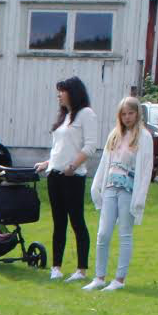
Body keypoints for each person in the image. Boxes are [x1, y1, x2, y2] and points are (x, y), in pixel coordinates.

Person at [84, 97, 154, 293]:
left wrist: (140, 196)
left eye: (131, 113)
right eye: (123, 114)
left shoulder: (144, 137)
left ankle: (119, 279)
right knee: (103, 233)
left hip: (128, 190)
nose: (127, 118)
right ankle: (99, 277)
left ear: (137, 114)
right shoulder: (115, 135)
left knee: (125, 233)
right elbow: (106, 161)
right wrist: (98, 185)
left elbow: (146, 167)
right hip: (110, 187)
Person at [34, 76, 98, 282]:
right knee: (58, 222)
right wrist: (46, 164)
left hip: (73, 176)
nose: (59, 95)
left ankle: (81, 270)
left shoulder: (86, 114)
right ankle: (56, 267)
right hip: (54, 175)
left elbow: (90, 146)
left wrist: (73, 166)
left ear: (73, 92)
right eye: (58, 91)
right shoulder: (64, 117)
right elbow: (59, 149)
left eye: (62, 91)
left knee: (76, 221)